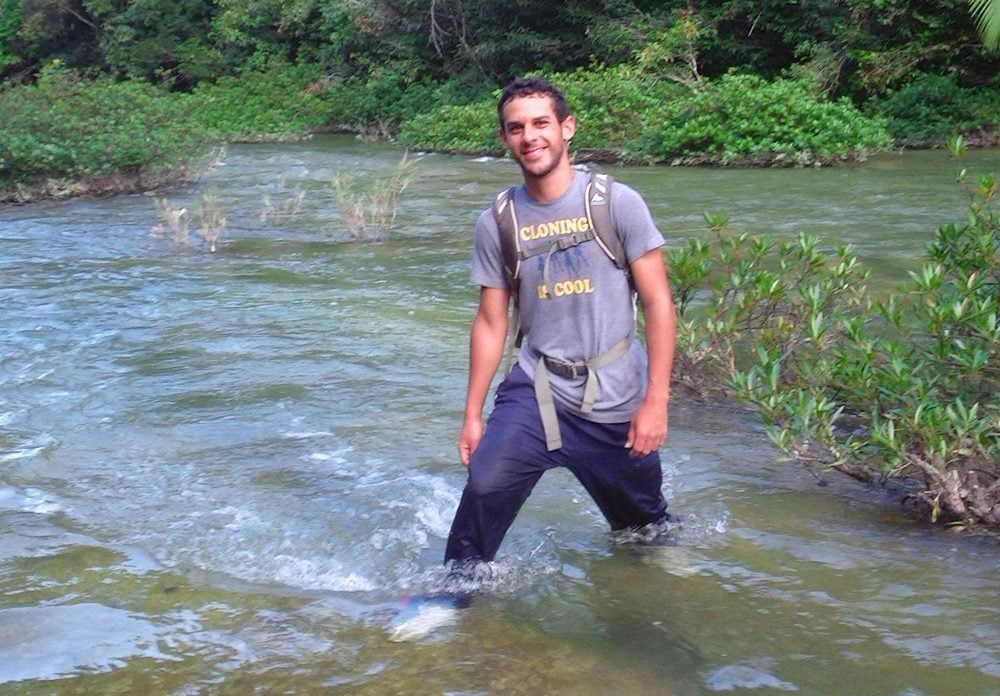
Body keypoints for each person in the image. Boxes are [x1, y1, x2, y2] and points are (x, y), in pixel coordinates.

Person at [444, 76, 677, 572]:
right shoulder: (498, 221)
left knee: (644, 531)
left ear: (566, 128)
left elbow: (658, 302)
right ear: (506, 139)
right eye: (516, 128)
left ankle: (659, 565)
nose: (530, 137)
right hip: (538, 389)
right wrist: (472, 413)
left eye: (540, 123)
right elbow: (491, 322)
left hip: (615, 393)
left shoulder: (616, 203)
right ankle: (452, 592)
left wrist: (655, 401)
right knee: (484, 485)